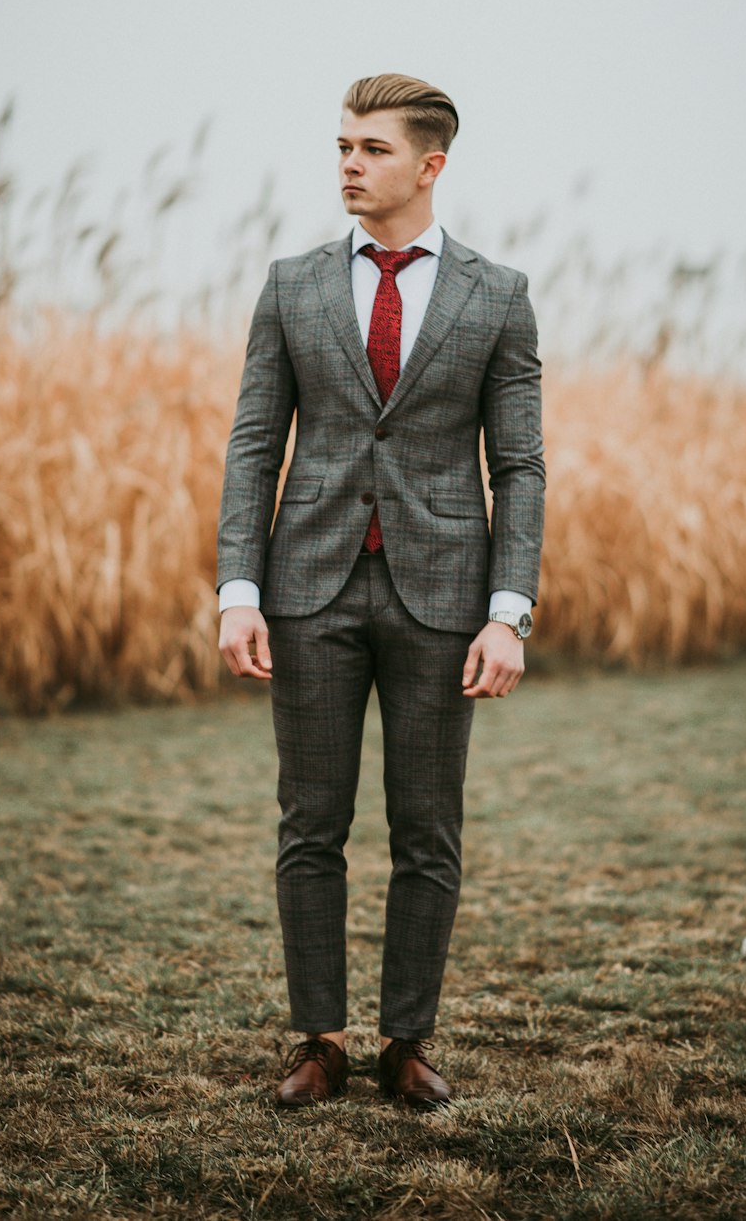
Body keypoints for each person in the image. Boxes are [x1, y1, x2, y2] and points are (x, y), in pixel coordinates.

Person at [216, 73, 545, 1108]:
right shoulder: (292, 283)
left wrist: (507, 610)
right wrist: (238, 586)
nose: (348, 164)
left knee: (426, 828)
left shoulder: (497, 295)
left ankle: (407, 1042)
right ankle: (319, 1040)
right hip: (307, 593)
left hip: (442, 601)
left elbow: (521, 467)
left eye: (371, 148)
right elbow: (254, 444)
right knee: (310, 823)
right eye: (342, 146)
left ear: (429, 163)